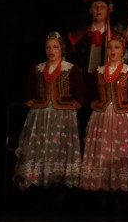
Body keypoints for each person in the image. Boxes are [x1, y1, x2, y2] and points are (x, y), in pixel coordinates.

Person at [14, 32, 85, 188]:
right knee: (40, 149)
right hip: (41, 115)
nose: (51, 50)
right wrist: (31, 100)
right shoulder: (38, 69)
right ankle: (38, 184)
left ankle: (59, 186)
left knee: (60, 149)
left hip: (63, 115)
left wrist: (75, 104)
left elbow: (79, 94)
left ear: (62, 49)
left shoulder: (71, 69)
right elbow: (30, 89)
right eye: (48, 47)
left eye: (55, 47)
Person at [80, 33, 128, 192]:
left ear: (123, 51)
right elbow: (92, 94)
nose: (113, 51)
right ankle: (101, 189)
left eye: (117, 47)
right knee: (102, 153)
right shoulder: (99, 72)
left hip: (123, 117)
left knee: (122, 153)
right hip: (101, 118)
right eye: (110, 48)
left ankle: (121, 190)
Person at [68, 0, 113, 74]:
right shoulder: (78, 36)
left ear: (108, 11)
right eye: (95, 6)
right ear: (90, 10)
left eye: (102, 7)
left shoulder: (115, 37)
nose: (98, 9)